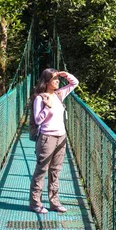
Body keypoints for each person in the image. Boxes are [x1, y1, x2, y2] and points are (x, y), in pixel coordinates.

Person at [29, 68, 79, 214]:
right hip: (47, 138)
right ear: (47, 81)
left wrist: (64, 74)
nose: (58, 81)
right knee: (41, 171)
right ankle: (35, 203)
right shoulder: (40, 98)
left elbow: (74, 83)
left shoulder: (58, 94)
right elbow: (38, 120)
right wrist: (47, 107)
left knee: (55, 171)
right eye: (54, 79)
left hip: (61, 137)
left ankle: (54, 202)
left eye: (58, 79)